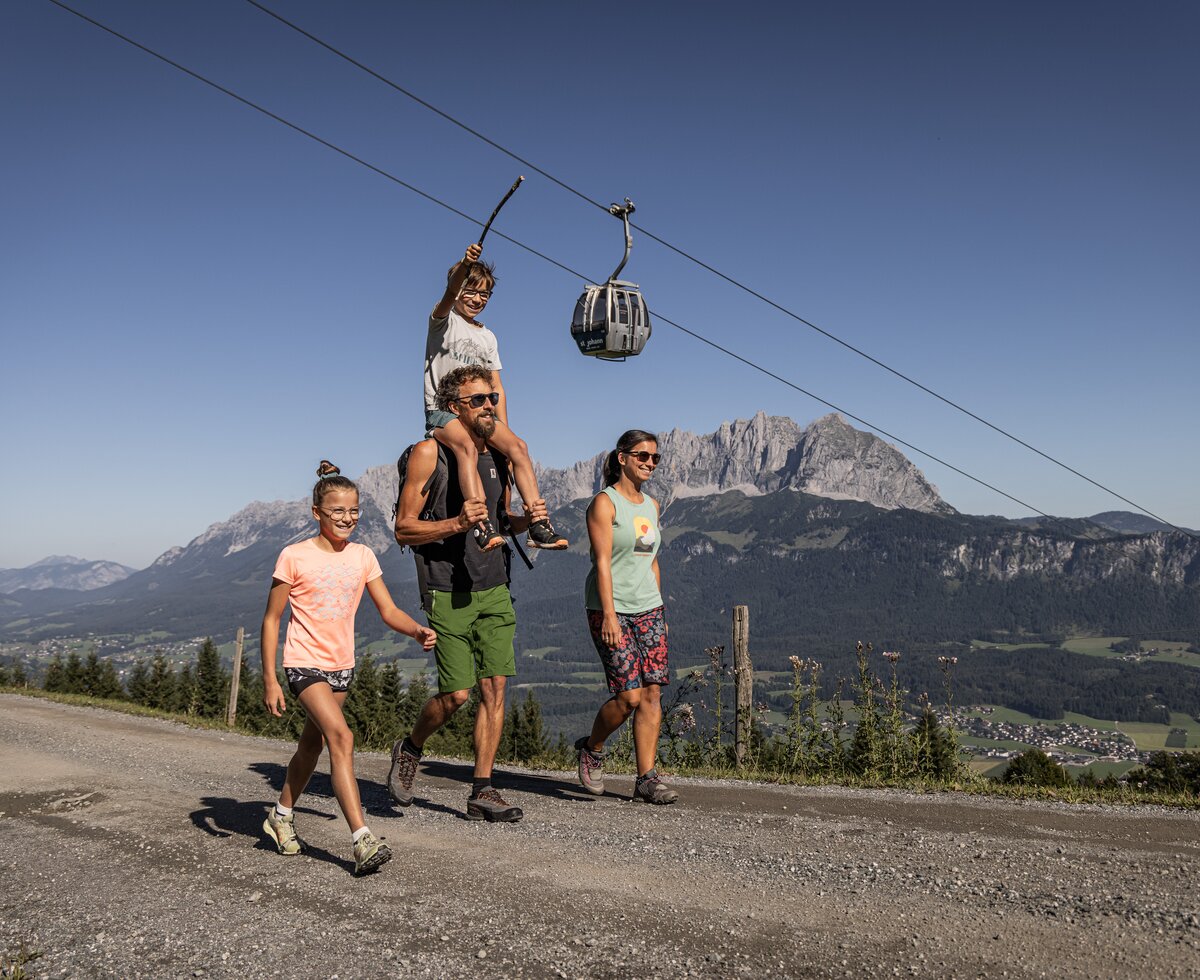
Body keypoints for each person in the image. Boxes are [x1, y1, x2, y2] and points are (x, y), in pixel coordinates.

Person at [260, 460, 437, 874]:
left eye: (354, 510)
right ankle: (362, 839)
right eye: (337, 511)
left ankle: (280, 815)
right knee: (341, 736)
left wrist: (415, 630)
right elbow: (271, 619)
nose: (347, 518)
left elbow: (387, 609)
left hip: (341, 666)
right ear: (317, 513)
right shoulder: (294, 556)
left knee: (312, 744)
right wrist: (271, 677)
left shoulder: (362, 556)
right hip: (303, 663)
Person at [389, 365, 546, 822]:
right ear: (453, 408)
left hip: (494, 585)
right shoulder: (428, 453)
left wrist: (530, 524)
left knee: (494, 688)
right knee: (457, 694)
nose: (488, 407)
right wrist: (456, 524)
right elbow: (404, 528)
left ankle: (483, 787)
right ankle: (411, 746)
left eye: (491, 398)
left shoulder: (497, 456)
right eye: (477, 400)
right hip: (445, 588)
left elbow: (501, 519)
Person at [423, 241, 567, 553]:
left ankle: (538, 523)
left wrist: (503, 426)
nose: (477, 299)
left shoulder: (488, 337)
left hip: (481, 412)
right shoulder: (443, 322)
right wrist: (464, 264)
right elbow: (448, 294)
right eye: (470, 291)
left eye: (484, 294)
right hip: (445, 411)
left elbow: (497, 386)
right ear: (458, 289)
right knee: (465, 446)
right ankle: (480, 522)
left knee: (518, 447)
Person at [575, 430, 678, 805]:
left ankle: (647, 778)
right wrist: (609, 615)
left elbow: (651, 561)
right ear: (622, 458)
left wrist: (660, 609)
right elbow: (602, 562)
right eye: (642, 456)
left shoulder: (652, 504)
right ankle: (592, 747)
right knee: (628, 696)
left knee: (652, 692)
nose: (650, 463)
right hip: (611, 608)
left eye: (655, 458)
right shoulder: (605, 503)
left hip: (649, 608)